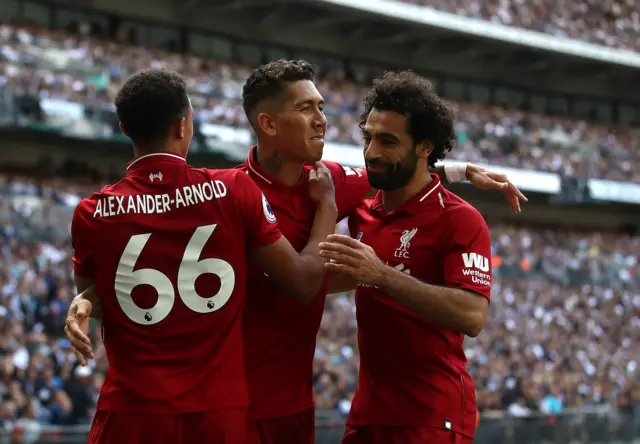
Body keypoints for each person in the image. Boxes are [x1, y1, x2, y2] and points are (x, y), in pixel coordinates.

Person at [66, 61, 525, 444]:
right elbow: (154, 264)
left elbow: (400, 167)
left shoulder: (330, 178)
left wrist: (462, 170)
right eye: (307, 109)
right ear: (267, 123)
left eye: (322, 107)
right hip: (233, 408)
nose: (323, 119)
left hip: (295, 410)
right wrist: (90, 297)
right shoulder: (228, 197)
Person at [71, 68, 338, 444]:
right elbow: (303, 282)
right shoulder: (232, 190)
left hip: (132, 414)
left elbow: (97, 301)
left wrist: (81, 303)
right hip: (217, 415)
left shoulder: (91, 213)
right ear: (184, 127)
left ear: (125, 129)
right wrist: (326, 207)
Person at [319, 71, 491, 444]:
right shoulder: (361, 207)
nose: (371, 152)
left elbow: (472, 315)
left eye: (388, 141)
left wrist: (381, 275)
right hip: (367, 413)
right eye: (367, 137)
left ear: (424, 146)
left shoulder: (460, 219)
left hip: (432, 415)